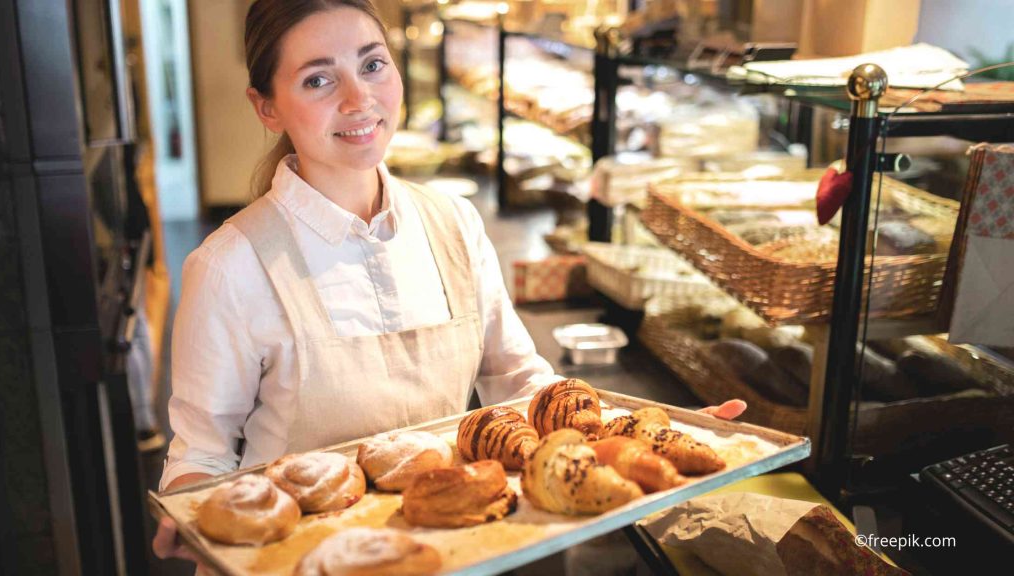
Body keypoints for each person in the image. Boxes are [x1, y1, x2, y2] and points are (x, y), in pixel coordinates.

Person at [153, 0, 746, 565]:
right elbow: (202, 453)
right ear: (267, 107)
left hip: (448, 548)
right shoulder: (232, 264)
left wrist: (659, 435)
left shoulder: (454, 223)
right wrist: (188, 510)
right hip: (302, 563)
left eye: (372, 63)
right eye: (317, 79)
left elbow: (520, 381)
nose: (360, 99)